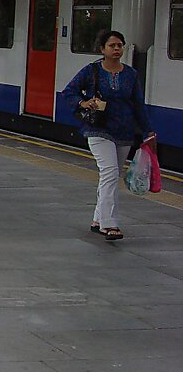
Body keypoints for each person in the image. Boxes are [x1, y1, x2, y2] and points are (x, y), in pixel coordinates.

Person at [62, 30, 155, 241]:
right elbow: (69, 92)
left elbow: (138, 105)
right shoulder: (91, 71)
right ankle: (109, 224)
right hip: (98, 129)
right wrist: (83, 102)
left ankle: (97, 219)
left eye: (120, 45)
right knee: (110, 173)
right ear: (102, 49)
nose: (116, 49)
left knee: (112, 176)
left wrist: (148, 131)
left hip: (124, 131)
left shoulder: (131, 74)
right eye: (112, 45)